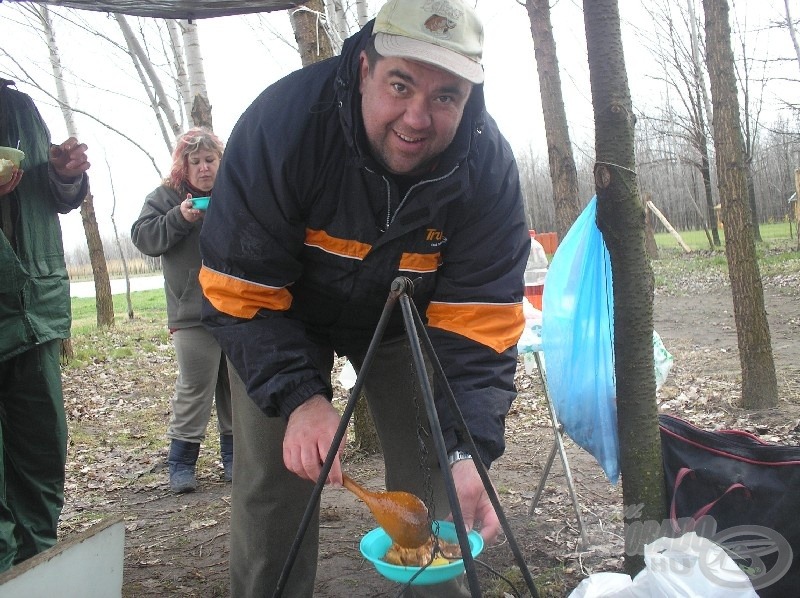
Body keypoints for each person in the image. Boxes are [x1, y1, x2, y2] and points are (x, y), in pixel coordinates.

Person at [199, 0, 530, 595]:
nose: (417, 118)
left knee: (437, 478)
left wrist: (468, 450)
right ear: (362, 70)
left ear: (469, 98)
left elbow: (480, 326)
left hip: (405, 323)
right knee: (275, 481)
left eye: (445, 97)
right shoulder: (286, 126)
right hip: (280, 316)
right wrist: (300, 396)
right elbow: (240, 290)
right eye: (400, 84)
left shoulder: (487, 171)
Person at [0, 78, 90, 572]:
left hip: (33, 305)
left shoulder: (18, 105)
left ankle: (37, 571)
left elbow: (52, 197)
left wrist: (64, 175)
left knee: (41, 455)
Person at [131, 127, 234, 494]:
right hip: (191, 312)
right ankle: (181, 464)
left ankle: (235, 460)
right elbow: (143, 237)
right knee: (195, 386)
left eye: (210, 160)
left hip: (237, 307)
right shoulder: (165, 197)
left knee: (236, 386)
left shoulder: (235, 191)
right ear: (183, 166)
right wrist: (180, 218)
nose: (205, 168)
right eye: (196, 161)